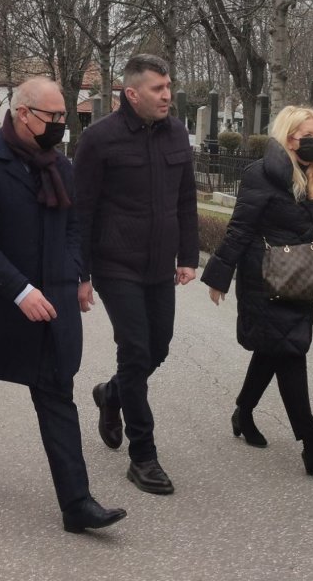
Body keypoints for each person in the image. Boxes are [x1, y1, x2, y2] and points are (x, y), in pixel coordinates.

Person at [0, 76, 126, 534]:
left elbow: (74, 226)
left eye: (63, 116)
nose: (61, 124)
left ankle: (77, 504)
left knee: (57, 393)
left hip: (51, 300)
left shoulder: (60, 167)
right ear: (23, 114)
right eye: (53, 116)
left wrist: (78, 275)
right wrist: (20, 290)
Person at [201, 106, 313, 481]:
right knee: (290, 354)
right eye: (307, 136)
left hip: (300, 281)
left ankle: (243, 413)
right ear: (289, 138)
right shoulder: (259, 175)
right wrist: (220, 275)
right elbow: (240, 228)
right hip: (264, 282)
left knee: (273, 351)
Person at [73, 54, 199, 496]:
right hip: (115, 264)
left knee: (157, 347)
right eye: (157, 89)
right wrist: (81, 274)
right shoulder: (98, 139)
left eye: (168, 86)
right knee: (136, 350)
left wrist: (188, 255)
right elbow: (81, 211)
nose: (167, 95)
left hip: (160, 264)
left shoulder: (176, 132)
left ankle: (111, 394)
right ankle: (143, 456)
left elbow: (186, 198)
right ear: (131, 93)